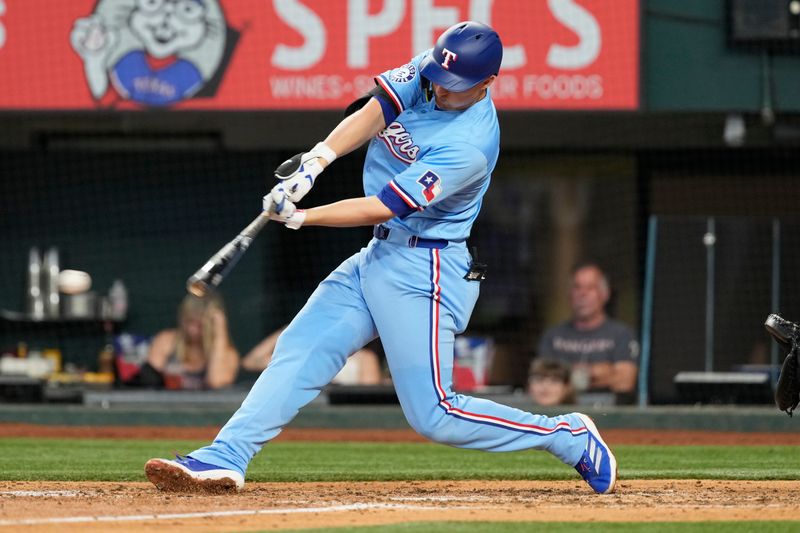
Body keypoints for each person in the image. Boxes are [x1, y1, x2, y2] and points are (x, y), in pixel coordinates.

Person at [145, 21, 616, 495]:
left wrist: (301, 217)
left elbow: (385, 204)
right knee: (302, 347)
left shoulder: (471, 144)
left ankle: (568, 437)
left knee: (435, 415)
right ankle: (228, 454)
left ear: (488, 83)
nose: (440, 90)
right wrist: (317, 161)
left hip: (427, 270)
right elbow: (377, 109)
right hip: (381, 253)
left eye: (456, 87)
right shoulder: (434, 68)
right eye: (439, 77)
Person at [537, 263, 639, 401]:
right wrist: (604, 371)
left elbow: (625, 383)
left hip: (607, 415)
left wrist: (570, 375)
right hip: (562, 417)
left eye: (590, 288)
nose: (582, 294)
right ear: (569, 294)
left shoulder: (622, 334)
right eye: (577, 287)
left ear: (605, 294)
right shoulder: (553, 336)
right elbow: (543, 387)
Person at [143, 293, 240, 390]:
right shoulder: (167, 340)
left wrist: (220, 331)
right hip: (167, 403)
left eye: (200, 325)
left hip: (205, 405)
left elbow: (217, 382)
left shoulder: (228, 354)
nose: (192, 330)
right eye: (189, 321)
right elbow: (149, 380)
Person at [242, 327, 384, 386]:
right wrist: (288, 329)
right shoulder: (304, 357)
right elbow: (251, 362)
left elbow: (368, 395)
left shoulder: (363, 357)